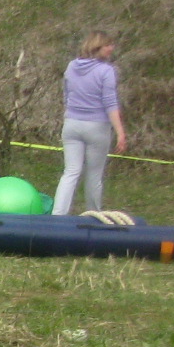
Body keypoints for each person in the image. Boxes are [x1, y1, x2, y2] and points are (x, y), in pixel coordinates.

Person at [55, 31, 127, 215]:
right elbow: (110, 103)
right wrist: (120, 132)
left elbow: (66, 95)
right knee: (94, 174)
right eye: (107, 45)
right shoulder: (106, 71)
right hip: (97, 126)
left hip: (71, 124)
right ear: (97, 47)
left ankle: (57, 215)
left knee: (70, 172)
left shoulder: (71, 66)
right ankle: (93, 215)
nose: (111, 48)